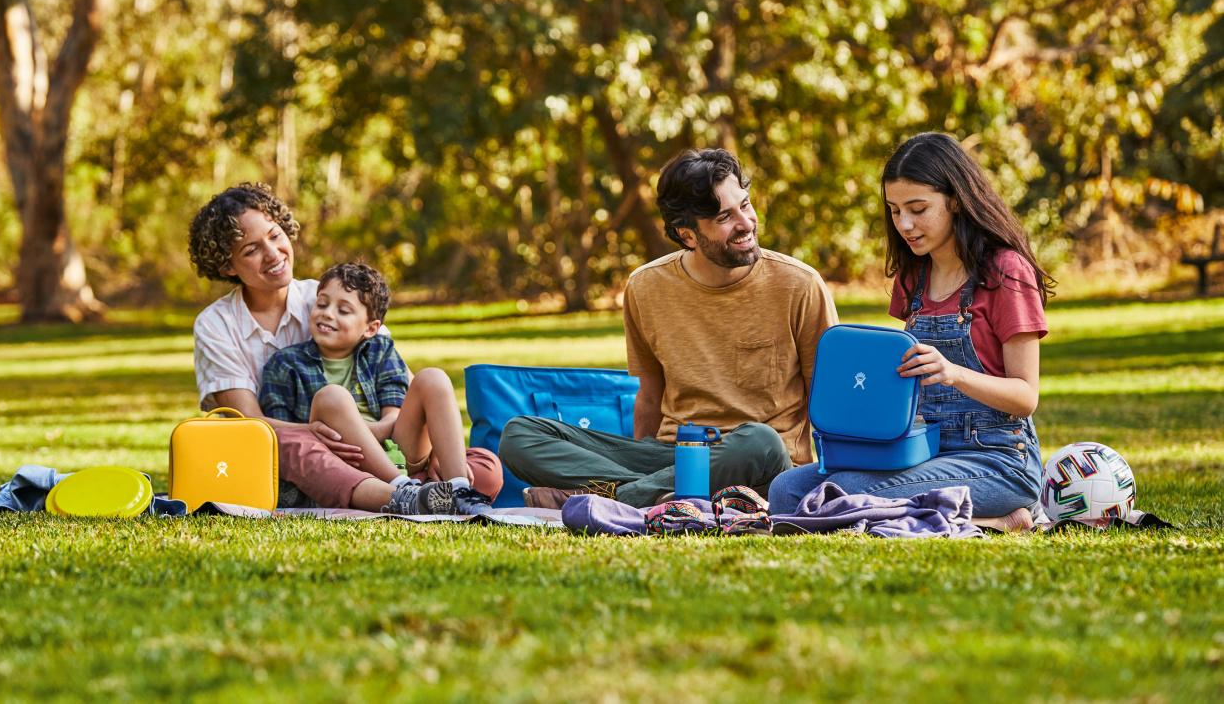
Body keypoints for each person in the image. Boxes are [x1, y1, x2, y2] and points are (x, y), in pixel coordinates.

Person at [498, 148, 839, 509]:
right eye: (725, 216)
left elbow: (834, 401)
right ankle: (653, 493)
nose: (746, 222)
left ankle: (624, 498)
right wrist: (648, 460)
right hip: (670, 456)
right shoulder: (645, 286)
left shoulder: (800, 285)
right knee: (519, 435)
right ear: (688, 235)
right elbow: (649, 395)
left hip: (761, 464)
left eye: (745, 204)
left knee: (760, 439)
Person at [767, 132, 1052, 531]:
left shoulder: (1005, 272)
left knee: (845, 491)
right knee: (785, 491)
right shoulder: (914, 276)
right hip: (920, 452)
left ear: (956, 199)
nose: (904, 224)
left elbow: (1026, 397)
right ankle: (982, 520)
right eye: (894, 209)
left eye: (918, 209)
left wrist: (952, 372)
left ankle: (1001, 518)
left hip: (998, 461)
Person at [189, 183, 502, 512]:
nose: (272, 253)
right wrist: (317, 430)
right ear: (227, 265)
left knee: (486, 466)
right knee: (288, 443)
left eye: (275, 235)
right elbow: (248, 421)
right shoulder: (216, 324)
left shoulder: (330, 294)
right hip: (301, 447)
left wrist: (437, 449)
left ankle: (444, 492)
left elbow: (413, 388)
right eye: (251, 250)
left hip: (388, 445)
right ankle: (400, 495)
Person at [259, 263, 495, 515]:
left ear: (370, 328)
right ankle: (404, 490)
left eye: (343, 310)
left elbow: (393, 416)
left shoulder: (381, 350)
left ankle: (457, 488)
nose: (327, 314)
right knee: (331, 397)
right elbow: (285, 437)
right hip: (341, 460)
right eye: (322, 304)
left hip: (398, 449)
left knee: (434, 379)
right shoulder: (284, 363)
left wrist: (364, 431)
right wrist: (341, 431)